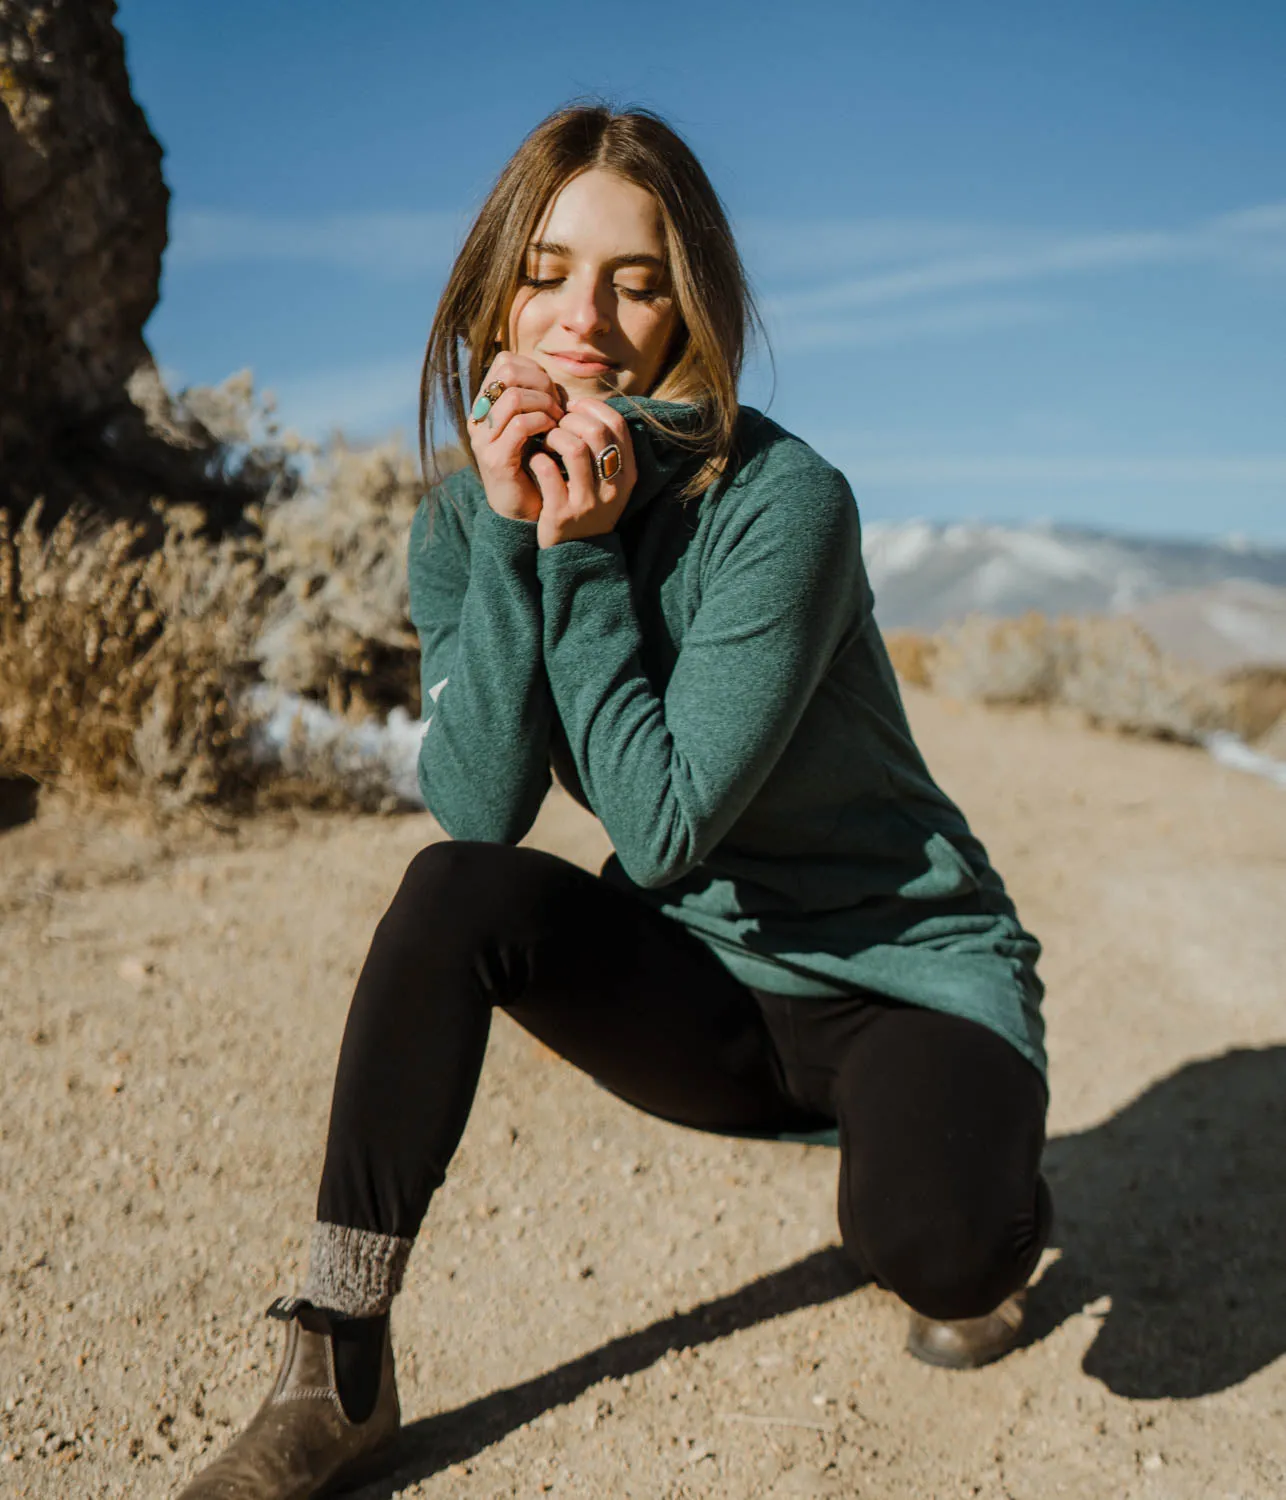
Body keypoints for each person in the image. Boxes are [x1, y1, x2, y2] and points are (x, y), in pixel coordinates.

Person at [177, 103, 1051, 1499]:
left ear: (686, 310)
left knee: (934, 1252)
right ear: (493, 291)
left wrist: (579, 560)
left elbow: (660, 824)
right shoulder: (465, 518)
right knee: (447, 894)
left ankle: (962, 1180)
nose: (586, 314)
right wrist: (522, 538)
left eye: (637, 281)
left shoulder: (781, 499)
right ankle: (336, 1362)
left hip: (907, 981)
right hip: (710, 991)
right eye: (548, 270)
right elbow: (475, 807)